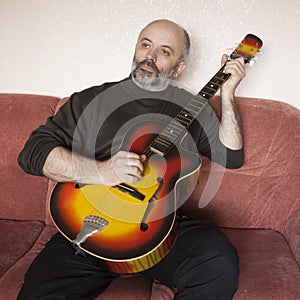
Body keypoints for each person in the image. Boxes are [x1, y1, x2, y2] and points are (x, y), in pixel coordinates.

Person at [17, 19, 246, 299]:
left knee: (218, 260)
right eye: (145, 44)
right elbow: (32, 153)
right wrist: (102, 171)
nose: (150, 55)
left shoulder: (190, 107)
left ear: (179, 68)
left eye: (164, 51)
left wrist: (228, 93)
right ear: (136, 49)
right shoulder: (92, 100)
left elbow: (232, 156)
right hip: (88, 228)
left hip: (157, 232)